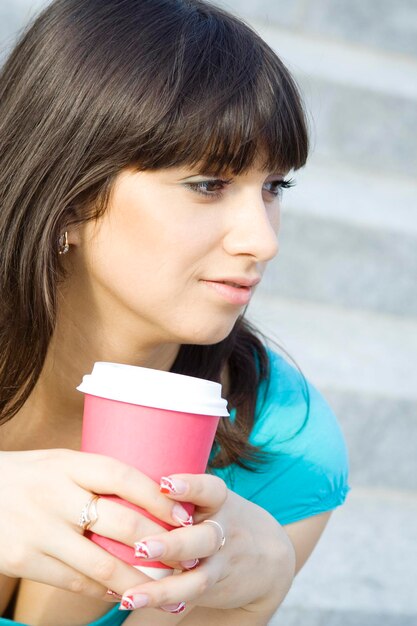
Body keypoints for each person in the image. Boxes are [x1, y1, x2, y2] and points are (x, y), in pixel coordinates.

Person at [0, 0, 350, 624]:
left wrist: (255, 596)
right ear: (70, 196)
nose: (263, 241)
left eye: (274, 188)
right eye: (208, 184)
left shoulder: (279, 443)